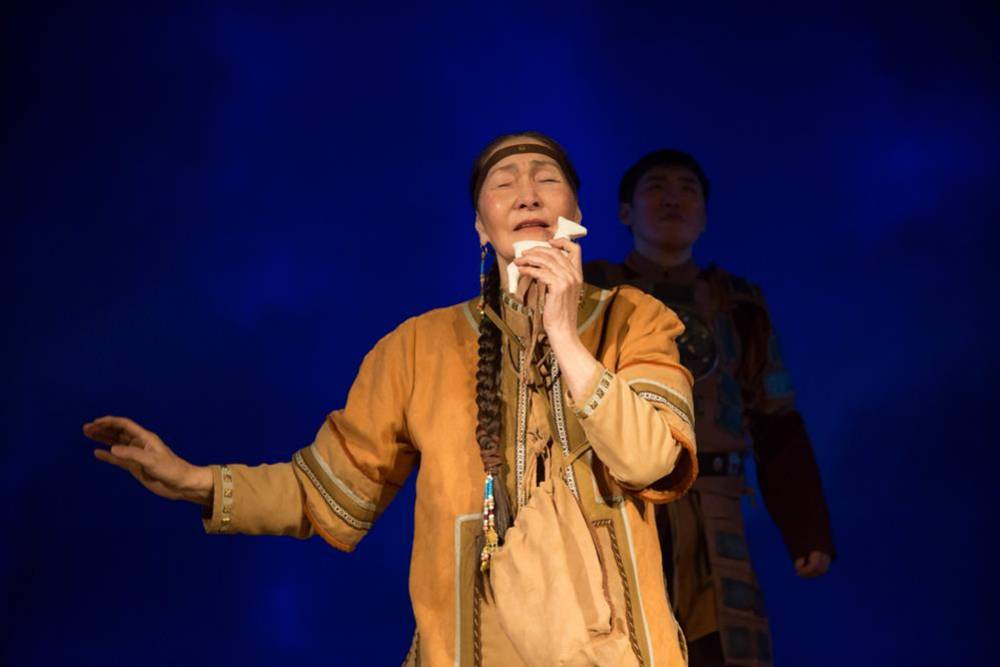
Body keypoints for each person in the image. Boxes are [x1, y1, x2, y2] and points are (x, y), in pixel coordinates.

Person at [84, 133, 700, 666]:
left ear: (576, 212)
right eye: (504, 183)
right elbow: (327, 491)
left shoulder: (636, 320)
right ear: (480, 226)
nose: (528, 195)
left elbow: (650, 460)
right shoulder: (417, 348)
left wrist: (564, 333)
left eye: (547, 180)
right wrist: (197, 482)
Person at [585, 149, 835, 666]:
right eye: (656, 187)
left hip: (717, 513)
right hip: (615, 504)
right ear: (625, 211)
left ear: (705, 213)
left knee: (721, 645)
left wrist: (806, 528)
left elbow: (775, 420)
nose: (673, 198)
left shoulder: (738, 307)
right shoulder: (591, 295)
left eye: (688, 189)